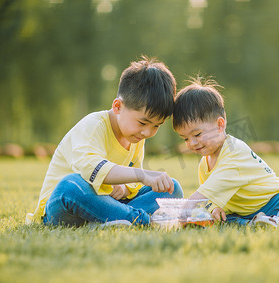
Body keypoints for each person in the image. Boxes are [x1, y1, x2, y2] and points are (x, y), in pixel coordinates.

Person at [25, 57, 183, 227]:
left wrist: (124, 188)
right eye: (143, 123)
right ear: (118, 107)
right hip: (64, 207)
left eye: (156, 125)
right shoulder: (93, 126)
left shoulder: (135, 136)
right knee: (70, 186)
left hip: (105, 204)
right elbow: (91, 169)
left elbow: (132, 181)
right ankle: (143, 220)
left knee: (171, 188)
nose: (148, 132)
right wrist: (142, 175)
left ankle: (109, 220)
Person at [172, 77, 279, 228]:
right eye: (185, 138)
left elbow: (206, 192)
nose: (192, 143)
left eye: (197, 134)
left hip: (273, 201)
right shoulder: (204, 164)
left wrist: (186, 208)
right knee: (223, 218)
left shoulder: (235, 152)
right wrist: (214, 208)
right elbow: (209, 198)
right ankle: (252, 223)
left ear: (220, 125)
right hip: (242, 211)